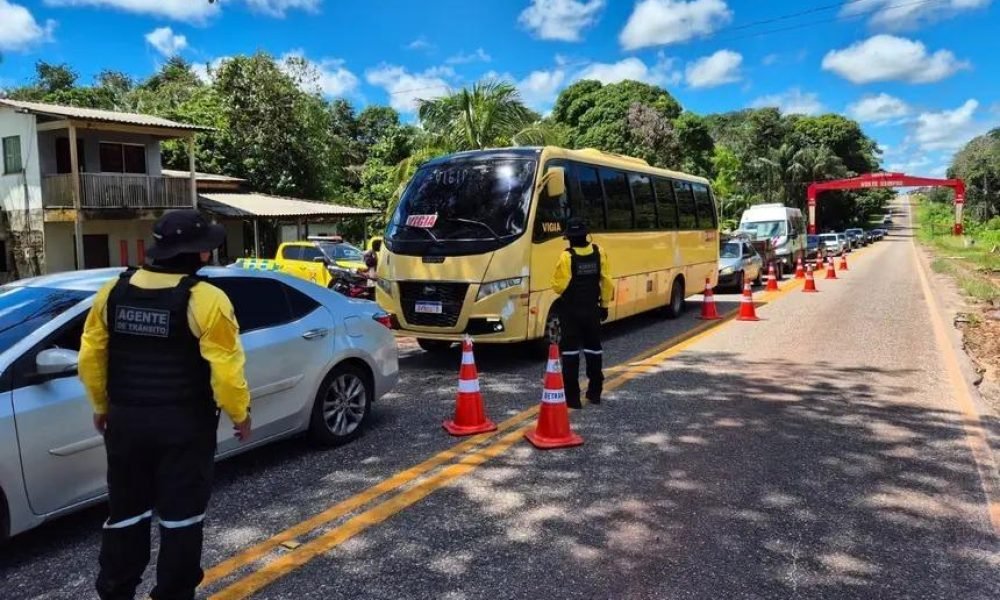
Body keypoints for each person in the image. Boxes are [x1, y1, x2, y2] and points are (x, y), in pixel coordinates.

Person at [79, 210, 252, 600]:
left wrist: (100, 404)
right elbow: (225, 372)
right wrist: (240, 415)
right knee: (181, 520)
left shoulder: (113, 292)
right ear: (201, 253)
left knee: (126, 514)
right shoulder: (207, 299)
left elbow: (91, 355)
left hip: (125, 423)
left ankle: (116, 590)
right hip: (184, 428)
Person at [551, 218, 613, 409]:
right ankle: (595, 393)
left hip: (570, 313)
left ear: (569, 238)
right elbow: (607, 282)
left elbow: (558, 286)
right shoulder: (598, 252)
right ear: (586, 235)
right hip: (592, 311)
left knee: (570, 354)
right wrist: (604, 305)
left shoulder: (566, 257)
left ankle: (573, 399)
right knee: (594, 351)